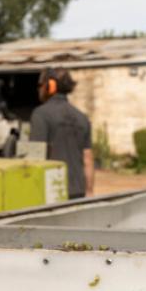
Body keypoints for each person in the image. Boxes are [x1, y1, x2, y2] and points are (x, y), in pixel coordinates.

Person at [29, 67, 94, 199]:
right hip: (78, 192)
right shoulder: (82, 117)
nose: (39, 90)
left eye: (40, 85)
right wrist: (89, 191)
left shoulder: (41, 115)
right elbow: (88, 158)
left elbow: (35, 157)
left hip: (52, 191)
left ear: (50, 86)